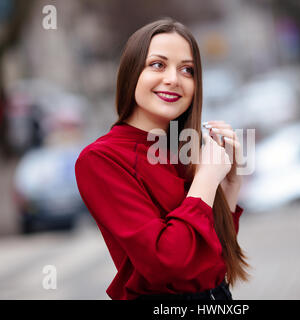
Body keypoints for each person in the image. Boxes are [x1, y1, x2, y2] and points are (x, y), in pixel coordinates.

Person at [75, 18, 250, 300]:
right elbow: (168, 262)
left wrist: (229, 191)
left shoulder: (187, 150)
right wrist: (206, 178)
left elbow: (213, 267)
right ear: (133, 72)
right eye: (158, 64)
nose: (173, 79)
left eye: (187, 70)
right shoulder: (100, 159)